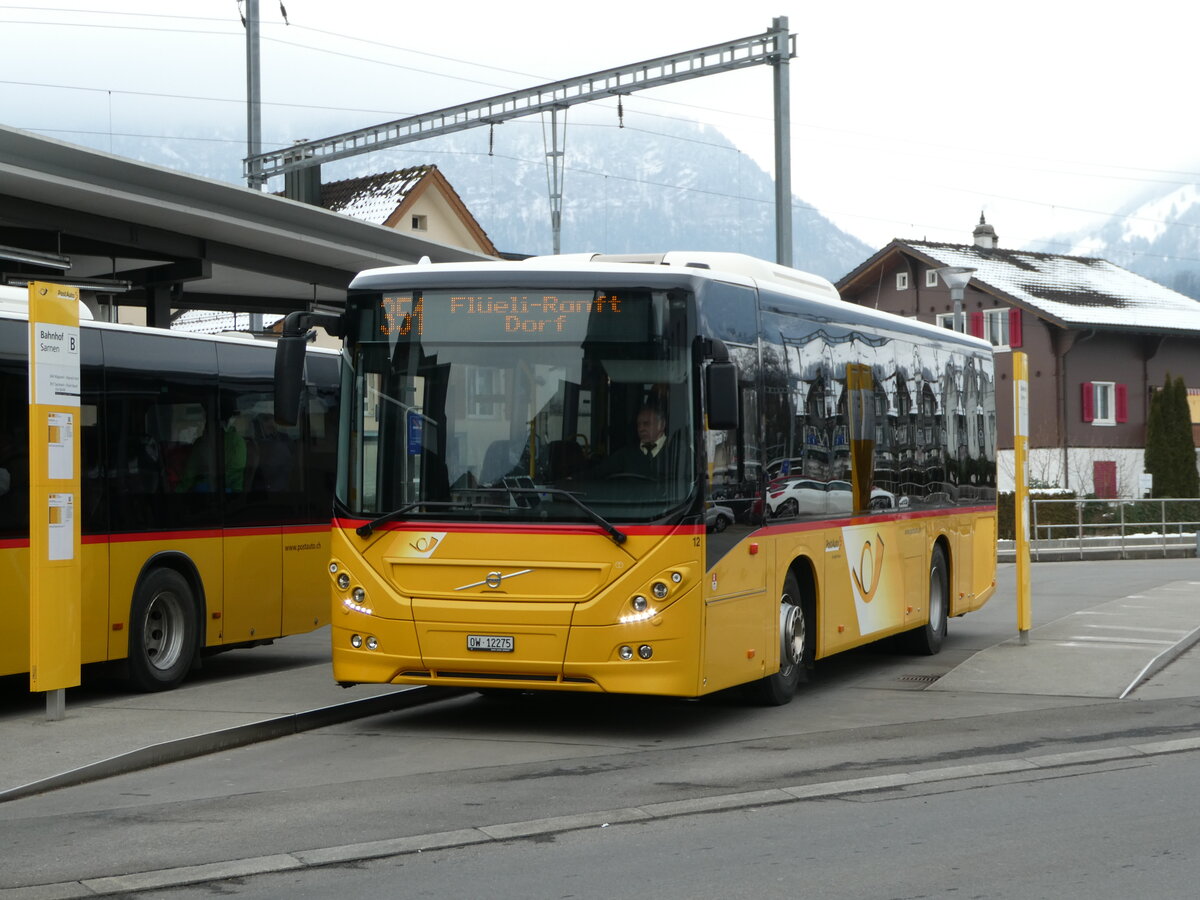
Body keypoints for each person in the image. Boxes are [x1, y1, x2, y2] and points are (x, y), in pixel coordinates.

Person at [587, 404, 673, 480]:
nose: (641, 429)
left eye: (646, 424)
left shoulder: (678, 453)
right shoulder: (625, 454)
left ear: (662, 424)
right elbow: (595, 474)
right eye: (638, 425)